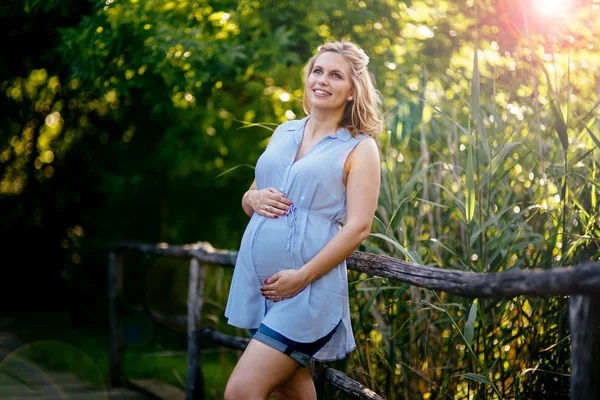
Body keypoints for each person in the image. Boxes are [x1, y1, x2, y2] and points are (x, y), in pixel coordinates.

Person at [224, 40, 382, 400]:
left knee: (241, 391)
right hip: (262, 287)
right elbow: (250, 197)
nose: (322, 80)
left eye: (336, 75)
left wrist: (301, 277)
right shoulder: (285, 131)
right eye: (318, 71)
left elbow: (359, 227)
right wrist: (252, 196)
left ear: (353, 91)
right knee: (291, 391)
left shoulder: (359, 147)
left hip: (307, 292)